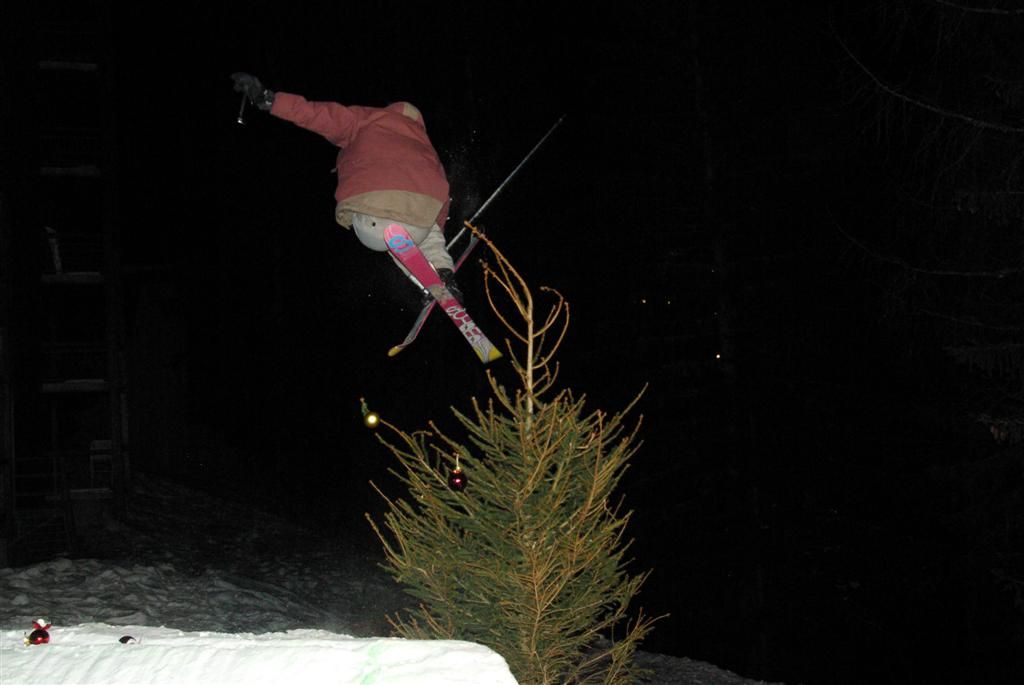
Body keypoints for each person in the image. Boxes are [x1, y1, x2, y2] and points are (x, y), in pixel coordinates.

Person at [230, 72, 462, 304]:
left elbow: (318, 114)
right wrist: (436, 229)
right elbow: (442, 194)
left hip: (371, 220)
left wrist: (268, 99)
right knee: (426, 229)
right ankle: (442, 274)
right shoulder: (425, 147)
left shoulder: (369, 119)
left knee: (397, 239)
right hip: (417, 220)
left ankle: (427, 282)